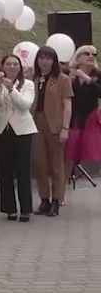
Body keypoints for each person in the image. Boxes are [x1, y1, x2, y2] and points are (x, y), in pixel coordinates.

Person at [0, 54, 36, 221]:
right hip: (2, 130)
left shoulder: (28, 84)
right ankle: (9, 208)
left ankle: (25, 208)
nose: (12, 67)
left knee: (23, 170)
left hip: (22, 130)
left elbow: (25, 105)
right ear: (2, 67)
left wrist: (11, 89)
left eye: (16, 64)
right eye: (8, 64)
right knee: (5, 169)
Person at [31, 46, 73, 217]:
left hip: (55, 124)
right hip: (35, 123)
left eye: (48, 58)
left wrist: (65, 127)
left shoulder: (62, 79)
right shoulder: (32, 77)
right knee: (39, 162)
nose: (44, 62)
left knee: (56, 164)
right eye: (41, 58)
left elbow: (67, 105)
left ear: (54, 61)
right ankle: (44, 199)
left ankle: (56, 199)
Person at [66, 45, 101, 180]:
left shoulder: (97, 75)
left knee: (87, 150)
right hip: (73, 117)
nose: (91, 56)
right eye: (87, 53)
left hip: (90, 119)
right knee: (69, 152)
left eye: (94, 54)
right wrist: (70, 79)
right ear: (78, 57)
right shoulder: (69, 73)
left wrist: (87, 79)